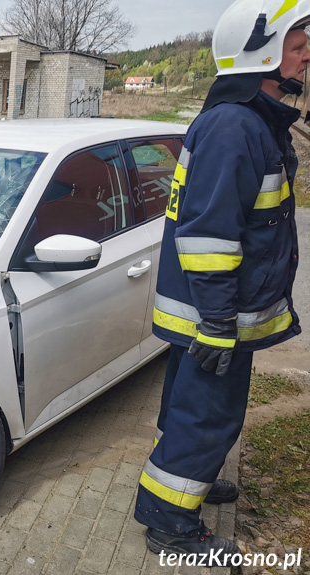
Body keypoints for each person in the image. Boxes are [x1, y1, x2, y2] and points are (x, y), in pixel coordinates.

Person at [136, 0, 307, 558]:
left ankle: (193, 481)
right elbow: (208, 236)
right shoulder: (235, 126)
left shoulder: (247, 119)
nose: (308, 54)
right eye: (298, 43)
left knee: (190, 406)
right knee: (207, 414)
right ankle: (170, 523)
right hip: (217, 313)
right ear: (261, 52)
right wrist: (215, 321)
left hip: (220, 308)